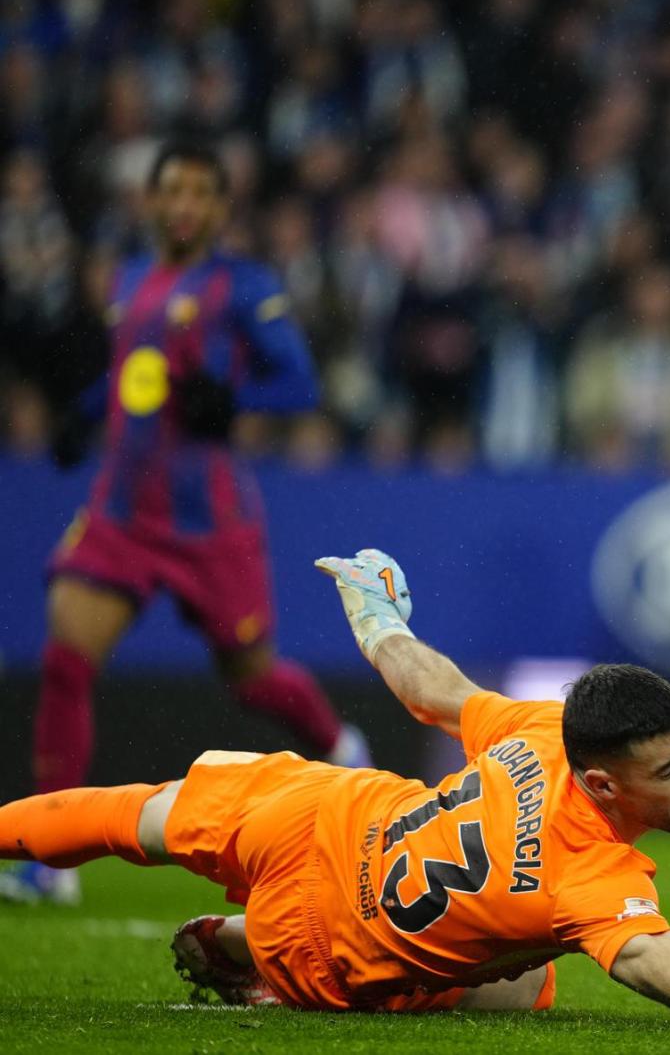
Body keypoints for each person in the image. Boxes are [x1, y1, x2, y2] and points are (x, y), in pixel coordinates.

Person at [0, 549, 670, 1040]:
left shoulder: (544, 728)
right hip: (326, 948)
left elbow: (427, 686)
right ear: (603, 781)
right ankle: (248, 953)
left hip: (322, 814)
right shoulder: (588, 879)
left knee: (123, 814)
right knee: (531, 981)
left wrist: (373, 612)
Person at [3, 142, 368, 906]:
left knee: (253, 678)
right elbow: (133, 372)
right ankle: (53, 862)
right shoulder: (132, 280)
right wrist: (84, 413)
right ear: (152, 200)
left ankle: (340, 745)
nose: (182, 205)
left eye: (199, 193)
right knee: (69, 655)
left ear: (219, 208)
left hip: (209, 520)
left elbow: (299, 385)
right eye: (171, 190)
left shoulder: (245, 286)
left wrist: (236, 402)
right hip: (122, 510)